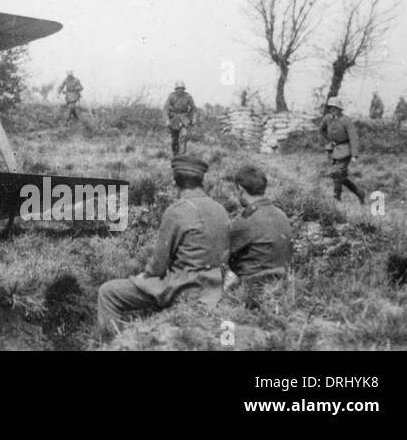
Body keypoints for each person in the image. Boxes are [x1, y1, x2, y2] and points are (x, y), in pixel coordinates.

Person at [97, 155, 229, 336]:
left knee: (108, 292)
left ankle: (115, 345)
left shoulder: (176, 211)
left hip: (185, 289)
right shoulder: (220, 209)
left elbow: (158, 266)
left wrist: (143, 277)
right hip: (214, 288)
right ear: (202, 181)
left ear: (175, 182)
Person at [226, 164, 291, 291]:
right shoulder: (281, 214)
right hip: (279, 281)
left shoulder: (247, 219)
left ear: (240, 188)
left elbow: (224, 251)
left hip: (253, 285)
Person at [320, 97, 365, 204]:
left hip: (346, 150)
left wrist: (354, 154)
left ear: (340, 109)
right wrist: (330, 140)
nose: (333, 110)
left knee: (337, 173)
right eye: (331, 108)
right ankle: (359, 193)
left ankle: (337, 198)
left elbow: (353, 137)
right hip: (334, 150)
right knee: (339, 175)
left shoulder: (346, 120)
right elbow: (321, 130)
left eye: (335, 108)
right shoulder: (327, 119)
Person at [164, 81, 197, 155]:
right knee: (174, 139)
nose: (180, 90)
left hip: (184, 118)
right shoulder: (171, 96)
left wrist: (194, 118)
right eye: (178, 89)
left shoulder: (188, 96)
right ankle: (175, 154)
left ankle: (182, 154)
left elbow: (193, 108)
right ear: (175, 89)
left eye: (181, 88)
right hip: (174, 119)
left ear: (184, 89)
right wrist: (167, 120)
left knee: (184, 136)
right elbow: (166, 109)